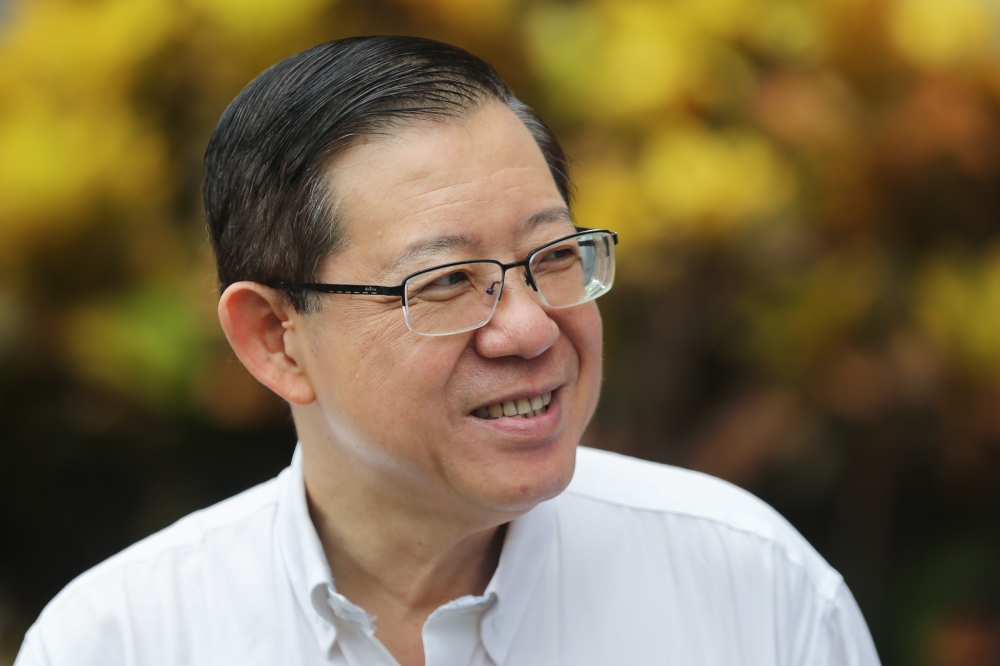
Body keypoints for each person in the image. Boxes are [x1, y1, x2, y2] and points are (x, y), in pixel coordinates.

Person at [14, 36, 880, 666]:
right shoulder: (122, 638)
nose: (532, 328)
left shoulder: (750, 588)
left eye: (551, 258)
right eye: (445, 283)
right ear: (275, 338)